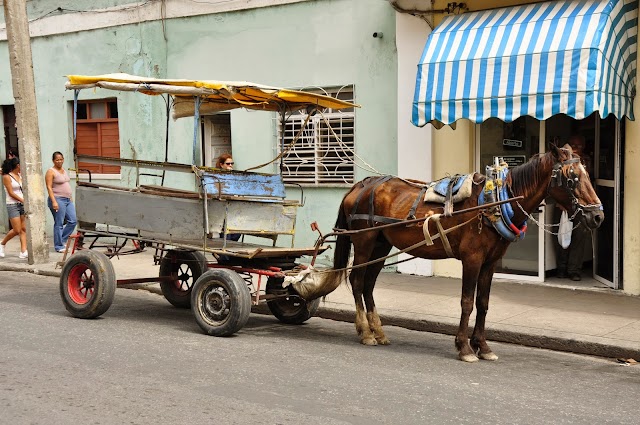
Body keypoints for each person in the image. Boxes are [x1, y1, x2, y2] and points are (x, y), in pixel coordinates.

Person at [555, 135, 591, 281]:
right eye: (574, 146)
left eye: (580, 146)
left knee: (579, 238)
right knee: (562, 237)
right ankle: (561, 269)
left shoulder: (585, 162)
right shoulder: (562, 162)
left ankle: (573, 270)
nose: (577, 149)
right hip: (563, 206)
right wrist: (560, 202)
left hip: (581, 206)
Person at [45, 152, 77, 253]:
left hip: (67, 200)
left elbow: (66, 184)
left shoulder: (63, 170)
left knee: (73, 221)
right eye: (57, 160)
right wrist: (54, 201)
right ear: (53, 160)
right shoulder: (51, 171)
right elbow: (49, 187)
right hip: (58, 199)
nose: (59, 161)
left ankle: (62, 240)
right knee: (59, 223)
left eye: (61, 159)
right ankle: (59, 246)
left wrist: (70, 196)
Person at [0, 157, 28, 259]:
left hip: (21, 204)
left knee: (24, 229)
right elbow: (11, 193)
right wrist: (22, 200)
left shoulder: (19, 175)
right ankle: (2, 243)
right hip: (12, 204)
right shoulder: (7, 177)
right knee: (16, 229)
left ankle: (23, 251)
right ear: (17, 166)